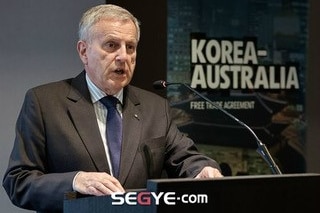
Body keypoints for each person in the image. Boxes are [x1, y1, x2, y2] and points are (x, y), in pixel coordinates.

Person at [2, 4, 223, 213]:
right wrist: (75, 181)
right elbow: (18, 181)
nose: (123, 56)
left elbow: (185, 158)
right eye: (111, 45)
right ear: (83, 51)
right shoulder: (44, 103)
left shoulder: (155, 108)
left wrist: (202, 170)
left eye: (130, 47)